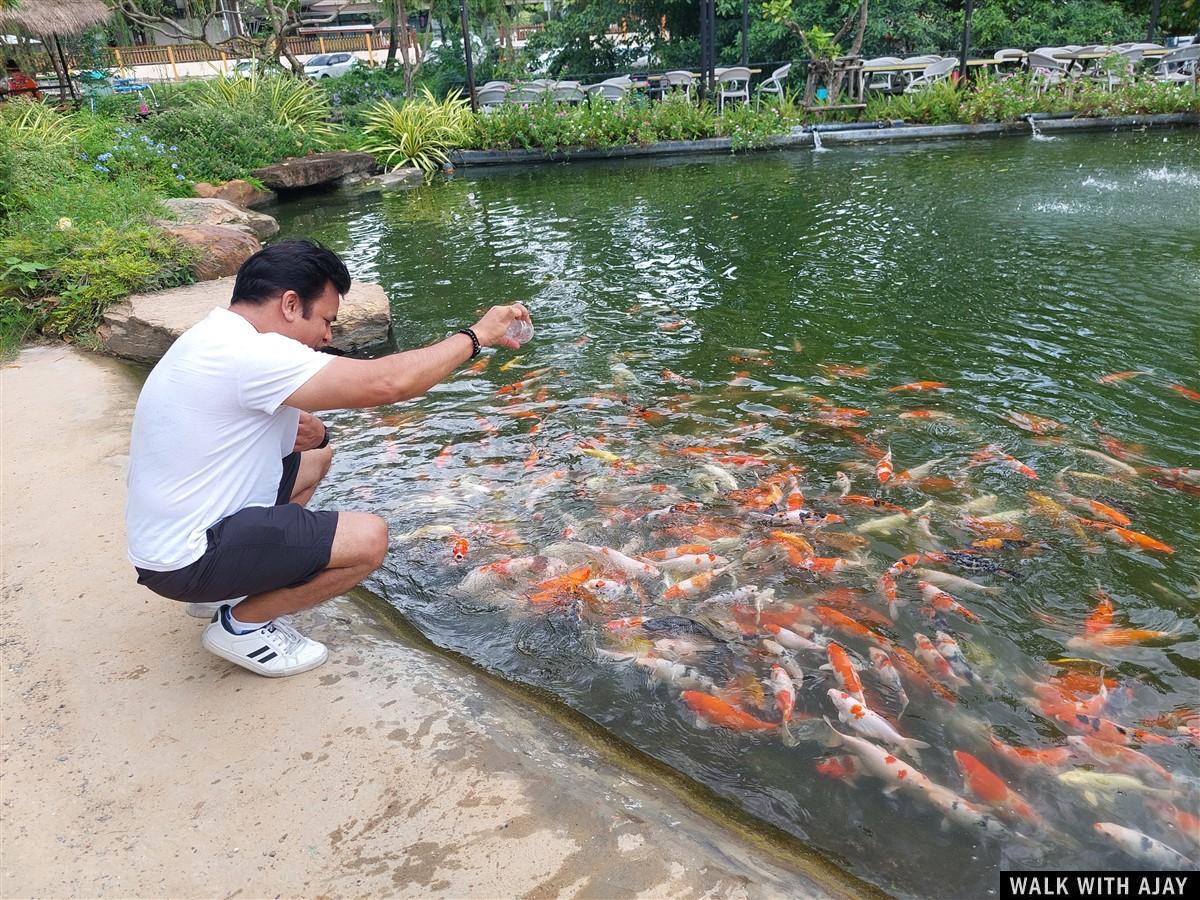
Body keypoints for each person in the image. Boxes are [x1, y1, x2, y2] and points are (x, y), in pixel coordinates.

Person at [125, 239, 530, 677]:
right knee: (367, 540)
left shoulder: (215, 336)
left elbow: (290, 431)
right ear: (291, 304)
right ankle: (242, 625)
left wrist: (319, 433)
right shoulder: (251, 354)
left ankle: (227, 586)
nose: (328, 336)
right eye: (325, 320)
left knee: (316, 459)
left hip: (173, 538)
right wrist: (477, 336)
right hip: (185, 558)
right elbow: (388, 384)